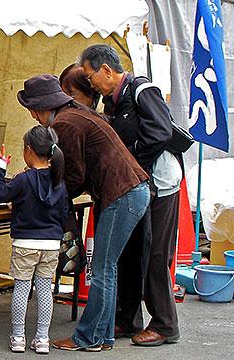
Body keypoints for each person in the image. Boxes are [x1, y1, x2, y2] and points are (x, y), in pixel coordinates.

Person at [17, 74, 150, 351]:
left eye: (32, 112)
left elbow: (74, 176)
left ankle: (87, 337)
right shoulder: (76, 114)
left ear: (38, 109)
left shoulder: (65, 124)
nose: (33, 117)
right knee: (107, 269)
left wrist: (44, 191)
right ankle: (102, 337)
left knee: (102, 270)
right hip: (130, 190)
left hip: (121, 192)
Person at [80, 44, 182, 347]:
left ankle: (165, 325)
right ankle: (127, 318)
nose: (90, 83)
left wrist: (131, 159)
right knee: (129, 251)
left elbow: (160, 132)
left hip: (160, 186)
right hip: (136, 187)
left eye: (90, 76)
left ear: (107, 71)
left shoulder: (141, 90)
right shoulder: (112, 101)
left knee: (155, 254)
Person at [0, 127, 68, 355]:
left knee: (21, 290)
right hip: (51, 245)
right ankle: (42, 338)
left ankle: (18, 338)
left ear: (28, 150)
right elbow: (63, 214)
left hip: (25, 244)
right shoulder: (59, 183)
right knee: (45, 290)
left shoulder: (23, 179)